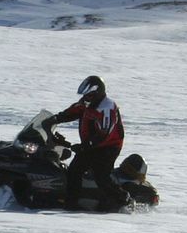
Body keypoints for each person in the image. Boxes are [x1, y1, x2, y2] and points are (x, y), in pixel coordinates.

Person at [48, 75, 128, 211]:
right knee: (74, 170)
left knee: (101, 175)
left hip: (109, 146)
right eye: (85, 96)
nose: (85, 98)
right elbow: (75, 110)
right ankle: (71, 203)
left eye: (89, 95)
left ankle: (123, 199)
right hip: (92, 144)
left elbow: (104, 133)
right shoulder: (88, 102)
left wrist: (87, 145)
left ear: (97, 93)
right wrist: (56, 118)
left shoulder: (107, 108)